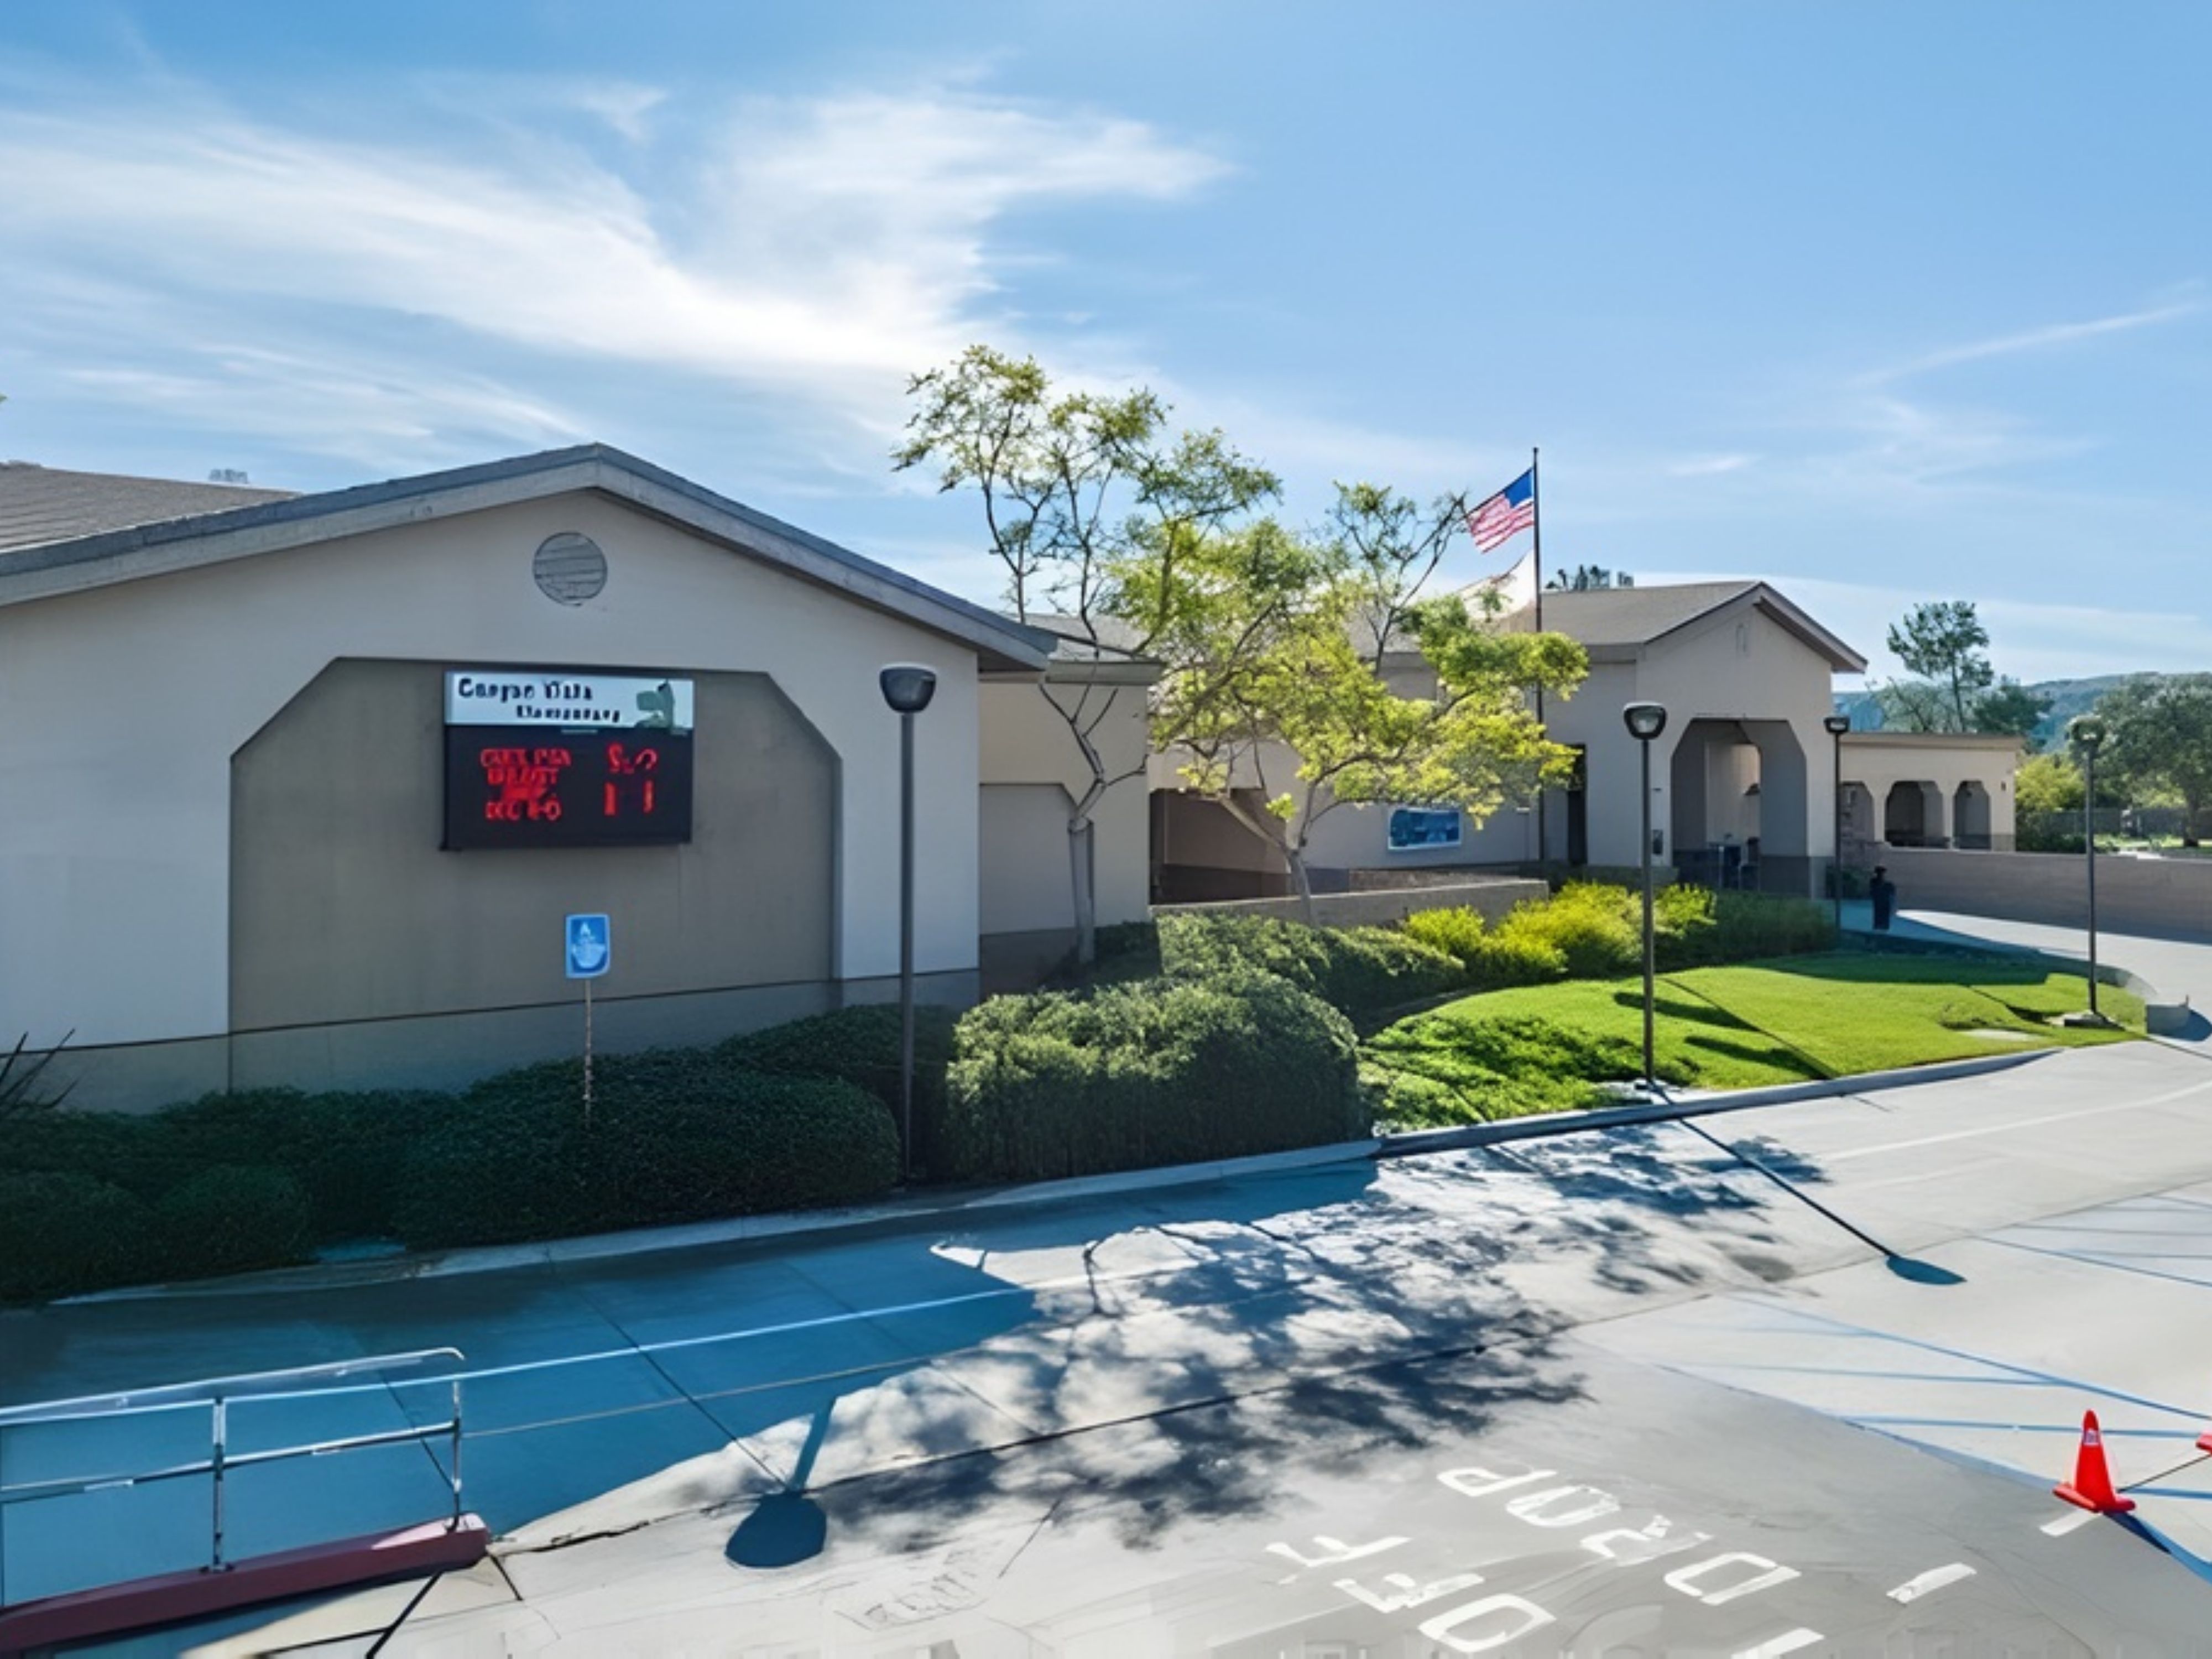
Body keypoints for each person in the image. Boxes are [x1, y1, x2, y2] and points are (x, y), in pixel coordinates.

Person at [1869, 864, 1897, 932]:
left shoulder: (1888, 885)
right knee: (1879, 918)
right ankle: (1880, 927)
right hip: (1880, 903)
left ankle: (1881, 927)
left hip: (1884, 904)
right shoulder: (1874, 883)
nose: (1881, 875)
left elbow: (1892, 896)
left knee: (1882, 919)